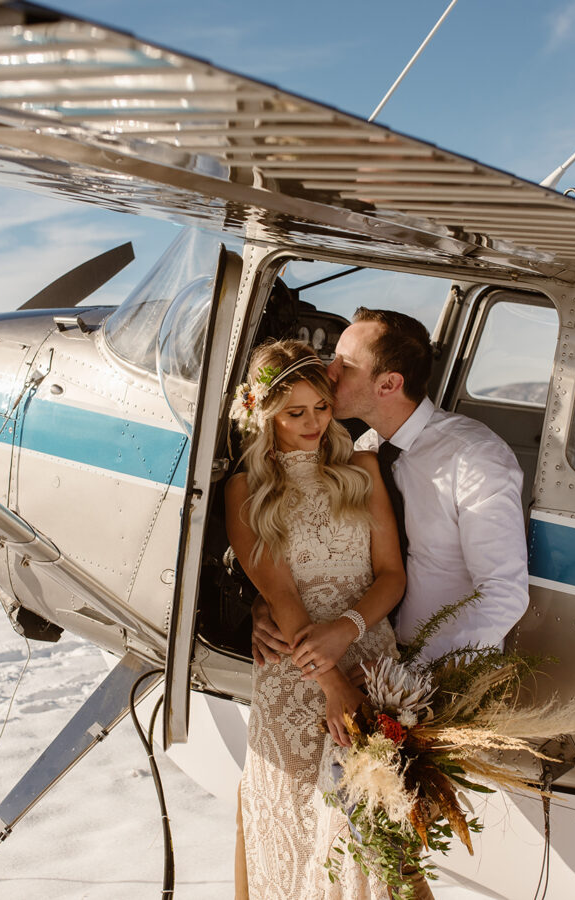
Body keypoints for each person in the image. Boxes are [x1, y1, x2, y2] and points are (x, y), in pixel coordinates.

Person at [252, 307, 530, 672]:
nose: (328, 372)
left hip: (443, 673)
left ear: (388, 384)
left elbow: (503, 595)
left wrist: (407, 675)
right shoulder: (362, 452)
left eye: (344, 365)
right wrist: (267, 604)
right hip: (364, 660)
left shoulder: (475, 457)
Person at [225, 339, 406, 900]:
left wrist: (347, 631)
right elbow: (279, 593)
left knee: (370, 839)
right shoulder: (245, 489)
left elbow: (392, 576)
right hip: (296, 680)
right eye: (293, 413)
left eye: (321, 407)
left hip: (370, 663)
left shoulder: (365, 469)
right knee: (297, 830)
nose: (312, 423)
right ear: (263, 415)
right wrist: (330, 685)